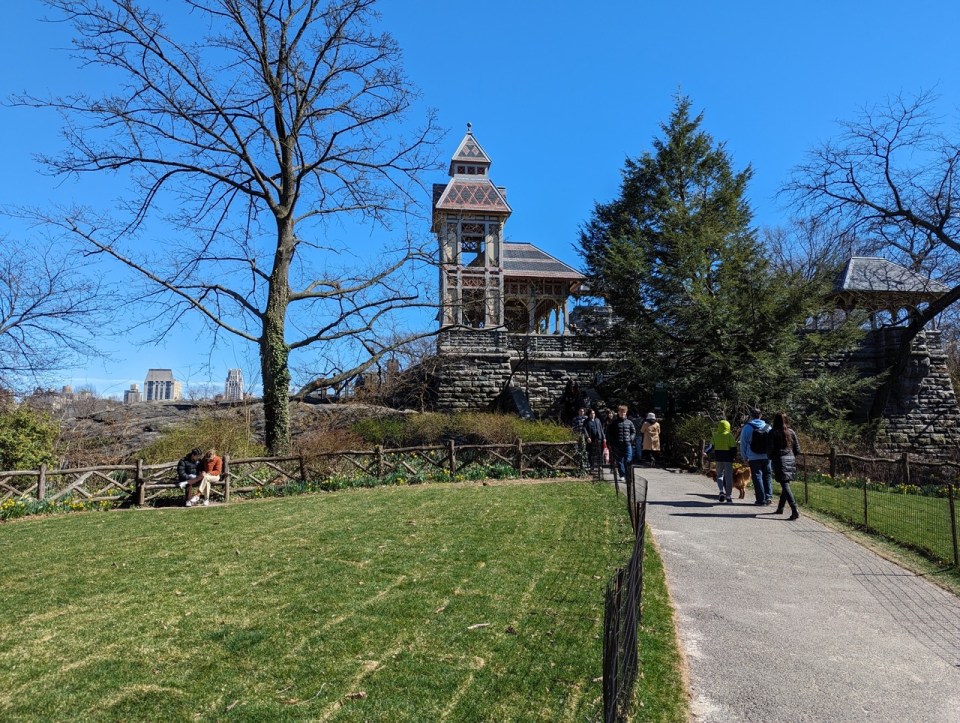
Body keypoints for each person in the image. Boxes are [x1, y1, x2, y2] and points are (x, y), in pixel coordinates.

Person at [768, 412, 801, 520]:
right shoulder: (791, 432)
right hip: (790, 458)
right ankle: (780, 508)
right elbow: (797, 449)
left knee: (785, 484)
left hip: (779, 460)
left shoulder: (773, 432)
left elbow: (770, 448)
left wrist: (771, 456)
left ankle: (794, 509)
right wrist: (791, 455)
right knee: (785, 484)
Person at [740, 408, 773, 505]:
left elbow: (743, 444)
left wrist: (744, 457)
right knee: (767, 476)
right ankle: (768, 497)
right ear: (760, 416)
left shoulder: (747, 427)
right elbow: (772, 443)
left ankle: (760, 499)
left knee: (757, 477)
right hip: (767, 456)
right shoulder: (768, 427)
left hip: (753, 456)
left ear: (751, 416)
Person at [707, 419, 737, 504]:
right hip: (728, 459)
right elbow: (734, 448)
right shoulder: (729, 435)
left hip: (718, 458)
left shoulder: (715, 435)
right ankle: (728, 496)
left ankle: (721, 491)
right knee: (728, 477)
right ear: (728, 426)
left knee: (719, 475)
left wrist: (705, 452)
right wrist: (734, 457)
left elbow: (710, 446)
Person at [608, 405, 636, 482]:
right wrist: (612, 442)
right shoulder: (614, 423)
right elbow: (610, 433)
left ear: (626, 412)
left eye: (624, 412)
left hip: (627, 444)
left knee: (628, 460)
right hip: (618, 445)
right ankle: (622, 475)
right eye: (621, 412)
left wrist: (631, 438)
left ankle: (628, 475)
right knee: (619, 461)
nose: (622, 413)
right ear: (618, 412)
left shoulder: (629, 422)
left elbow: (633, 432)